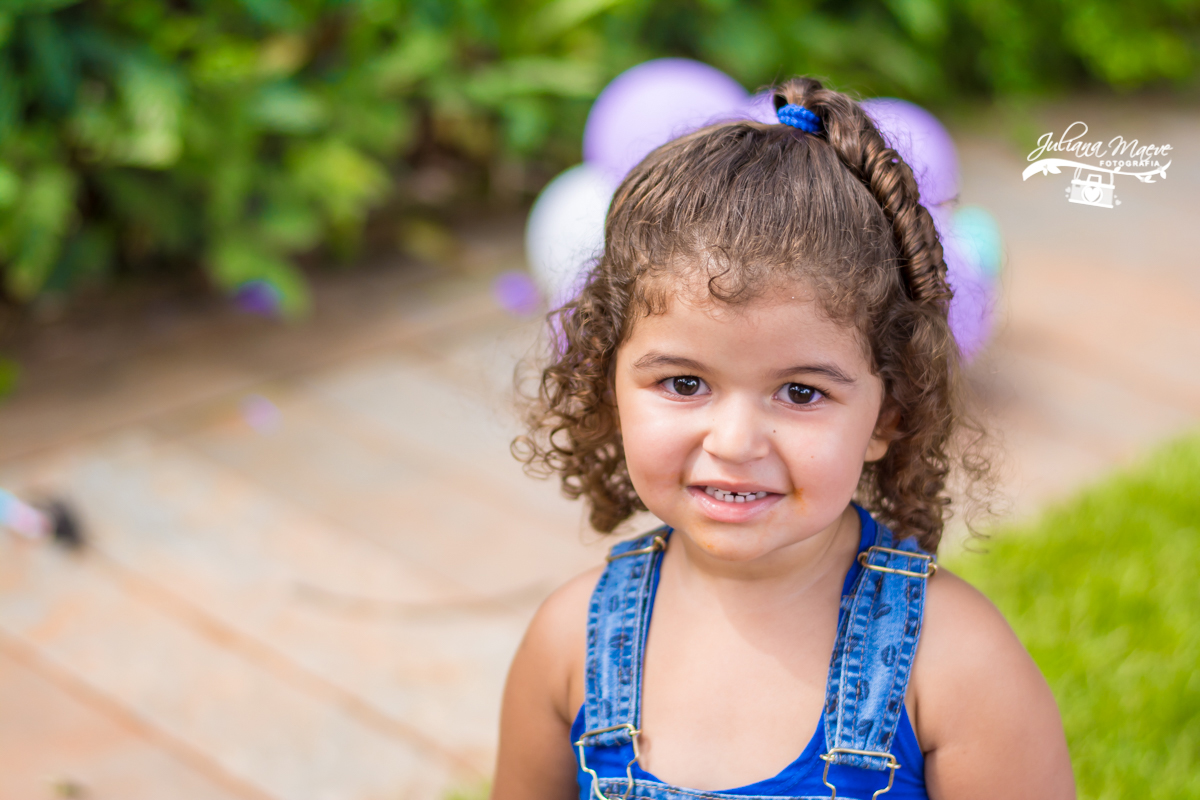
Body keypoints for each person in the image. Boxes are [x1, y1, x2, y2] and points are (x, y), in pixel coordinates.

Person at [493, 77, 1075, 800]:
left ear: (887, 416)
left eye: (801, 392)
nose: (735, 441)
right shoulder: (568, 645)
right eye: (682, 382)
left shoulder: (956, 666)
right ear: (610, 383)